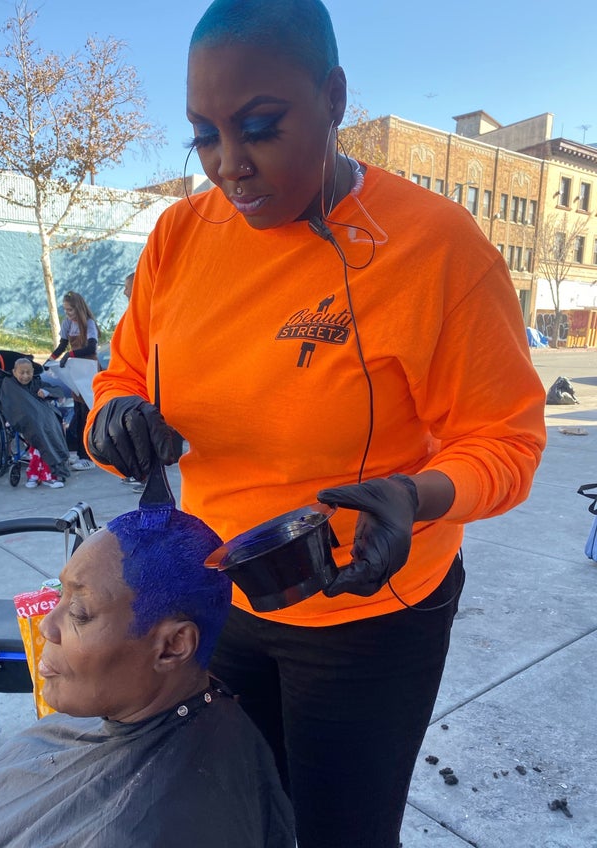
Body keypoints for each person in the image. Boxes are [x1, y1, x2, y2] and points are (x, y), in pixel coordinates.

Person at [84, 2, 547, 846]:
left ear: (333, 97)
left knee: (342, 831)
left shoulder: (436, 248)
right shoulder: (179, 237)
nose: (231, 165)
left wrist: (420, 494)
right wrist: (113, 416)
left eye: (260, 127)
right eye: (204, 135)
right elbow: (122, 371)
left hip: (368, 617)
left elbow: (508, 441)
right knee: (239, 817)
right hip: (218, 596)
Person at [0, 508, 295, 848]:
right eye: (59, 596)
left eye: (79, 613)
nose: (47, 626)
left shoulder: (141, 828)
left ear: (172, 646)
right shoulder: (142, 715)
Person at [46, 290, 99, 471]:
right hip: (76, 370)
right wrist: (50, 359)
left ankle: (88, 457)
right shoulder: (68, 324)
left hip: (88, 369)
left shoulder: (89, 324)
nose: (67, 313)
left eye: (70, 310)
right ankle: (80, 452)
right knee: (78, 412)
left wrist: (71, 354)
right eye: (65, 310)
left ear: (79, 308)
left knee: (86, 413)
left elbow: (91, 347)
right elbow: (62, 345)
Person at [11, 357, 66, 489]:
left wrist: (46, 392)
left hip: (42, 421)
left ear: (33, 372)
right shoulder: (11, 387)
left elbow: (57, 390)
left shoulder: (37, 383)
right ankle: (44, 475)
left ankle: (35, 474)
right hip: (25, 422)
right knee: (43, 440)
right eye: (22, 373)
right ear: (14, 372)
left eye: (28, 372)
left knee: (46, 436)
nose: (25, 376)